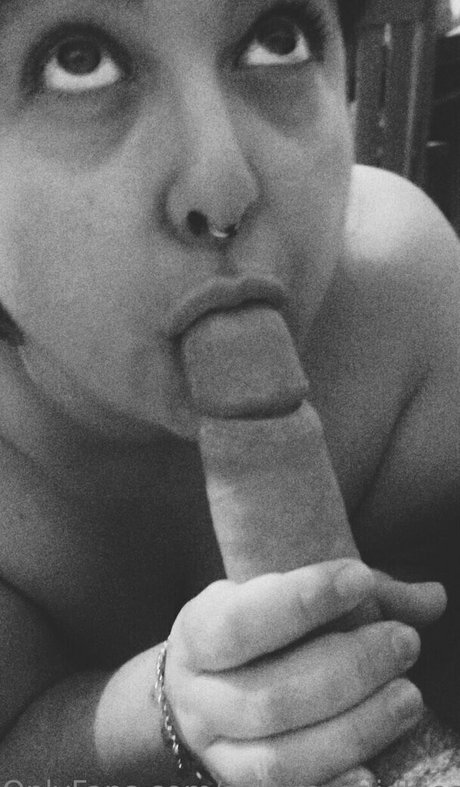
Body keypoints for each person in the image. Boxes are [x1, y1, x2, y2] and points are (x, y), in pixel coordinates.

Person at [0, 0, 458, 785]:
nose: (224, 187)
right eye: (78, 60)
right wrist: (168, 707)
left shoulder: (408, 297)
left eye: (277, 39)